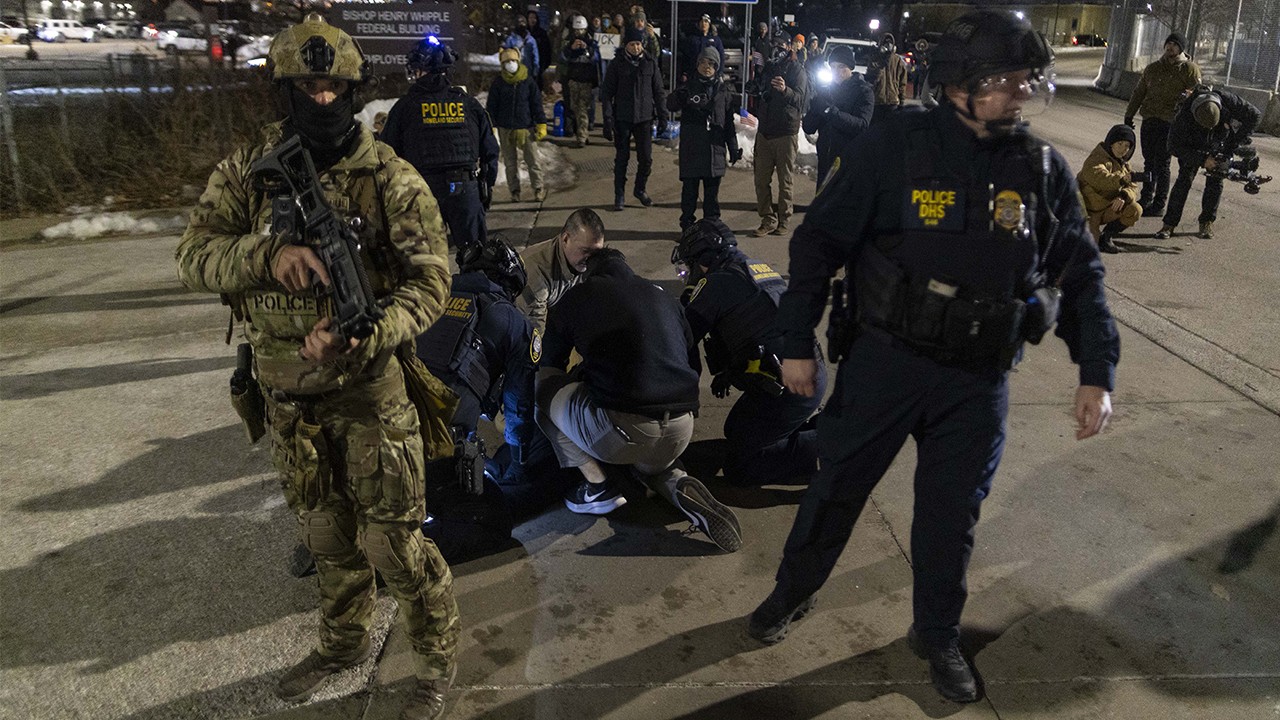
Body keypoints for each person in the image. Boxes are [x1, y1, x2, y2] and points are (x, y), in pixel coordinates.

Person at [748, 10, 1119, 705]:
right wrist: (794, 342)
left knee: (951, 516)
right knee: (836, 490)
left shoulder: (1039, 169)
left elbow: (1082, 275)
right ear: (959, 84)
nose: (1021, 93)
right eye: (1007, 80)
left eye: (1027, 80)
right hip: (886, 363)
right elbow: (818, 242)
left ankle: (938, 633)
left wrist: (1096, 372)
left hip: (976, 381)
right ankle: (791, 594)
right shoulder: (896, 146)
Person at [174, 15, 460, 720]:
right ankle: (342, 645)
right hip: (287, 398)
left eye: (334, 86)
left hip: (369, 396)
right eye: (308, 86)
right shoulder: (250, 169)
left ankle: (433, 665)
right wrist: (267, 255)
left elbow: (432, 280)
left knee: (394, 546)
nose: (323, 98)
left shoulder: (389, 176)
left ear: (353, 88)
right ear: (286, 89)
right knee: (327, 537)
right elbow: (193, 254)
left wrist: (370, 329)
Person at [536, 248, 743, 553]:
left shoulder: (579, 295)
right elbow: (692, 365)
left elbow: (550, 363)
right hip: (681, 427)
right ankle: (677, 482)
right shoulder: (664, 297)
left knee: (542, 389)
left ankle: (596, 487)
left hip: (622, 432)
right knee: (650, 463)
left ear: (588, 273)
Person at [415, 234, 543, 563]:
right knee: (492, 520)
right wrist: (519, 463)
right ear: (510, 283)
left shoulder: (424, 296)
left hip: (372, 434)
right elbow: (518, 409)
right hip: (429, 452)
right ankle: (394, 555)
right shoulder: (515, 323)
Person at [674, 219, 824, 485]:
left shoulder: (717, 283)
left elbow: (680, 336)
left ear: (704, 258)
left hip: (790, 388)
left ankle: (833, 447)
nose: (687, 274)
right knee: (735, 430)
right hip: (802, 375)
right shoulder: (754, 267)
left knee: (742, 468)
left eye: (688, 266)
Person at [382, 35, 499, 251]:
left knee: (427, 262)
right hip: (465, 191)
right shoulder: (468, 104)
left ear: (420, 70)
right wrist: (485, 184)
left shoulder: (405, 107)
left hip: (421, 192)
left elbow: (387, 153)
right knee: (476, 259)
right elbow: (490, 149)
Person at [1156, 85, 1260, 240]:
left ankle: (1207, 222)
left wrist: (1235, 141)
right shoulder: (1183, 117)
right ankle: (1169, 224)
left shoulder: (1229, 101)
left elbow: (1255, 115)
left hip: (1220, 139)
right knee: (1184, 180)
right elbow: (1173, 146)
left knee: (1215, 182)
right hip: (1193, 145)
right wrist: (1202, 160)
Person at [1123, 33, 1201, 219]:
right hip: (1150, 119)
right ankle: (1146, 198)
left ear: (1181, 48)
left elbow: (1197, 95)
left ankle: (1159, 203)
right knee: (1149, 161)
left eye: (1175, 44)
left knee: (1162, 164)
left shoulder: (1189, 69)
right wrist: (1129, 114)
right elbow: (1139, 92)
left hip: (1170, 123)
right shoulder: (1153, 68)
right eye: (1168, 43)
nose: (1170, 47)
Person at [667, 47, 742, 230]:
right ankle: (687, 227)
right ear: (697, 64)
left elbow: (728, 123)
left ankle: (711, 227)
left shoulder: (723, 90)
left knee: (711, 197)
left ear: (717, 67)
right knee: (689, 194)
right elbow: (671, 105)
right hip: (692, 148)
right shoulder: (688, 86)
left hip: (714, 149)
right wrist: (680, 96)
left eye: (711, 64)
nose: (707, 67)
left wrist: (733, 147)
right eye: (703, 62)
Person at [748, 32, 808, 237]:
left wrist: (785, 90)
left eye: (781, 45)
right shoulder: (769, 68)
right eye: (774, 45)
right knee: (761, 179)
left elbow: (801, 100)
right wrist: (754, 89)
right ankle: (767, 219)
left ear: (789, 47)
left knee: (785, 180)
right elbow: (761, 90)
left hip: (785, 132)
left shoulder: (797, 70)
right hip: (765, 131)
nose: (777, 49)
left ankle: (784, 220)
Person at [601, 25, 666, 211]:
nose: (636, 48)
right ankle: (619, 194)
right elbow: (607, 93)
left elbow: (659, 92)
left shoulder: (650, 63)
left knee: (646, 159)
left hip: (644, 118)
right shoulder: (617, 64)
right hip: (623, 118)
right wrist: (607, 119)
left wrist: (662, 116)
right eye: (632, 44)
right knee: (622, 159)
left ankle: (640, 189)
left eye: (638, 44)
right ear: (626, 45)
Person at [517, 208, 607, 334]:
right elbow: (534, 331)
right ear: (565, 239)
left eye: (596, 252)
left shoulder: (582, 259)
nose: (590, 258)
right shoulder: (537, 272)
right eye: (585, 251)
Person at [801, 44, 874, 186]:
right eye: (833, 67)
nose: (837, 71)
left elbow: (861, 125)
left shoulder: (863, 91)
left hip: (850, 163)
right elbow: (809, 127)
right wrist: (815, 109)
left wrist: (830, 112)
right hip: (825, 161)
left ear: (850, 67)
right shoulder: (826, 91)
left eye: (841, 67)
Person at [487, 47, 548, 203]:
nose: (511, 64)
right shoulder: (498, 83)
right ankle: (514, 191)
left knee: (533, 161)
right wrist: (491, 124)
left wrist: (541, 123)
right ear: (502, 64)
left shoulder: (528, 81)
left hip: (526, 127)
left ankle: (538, 188)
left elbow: (536, 104)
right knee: (510, 163)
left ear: (518, 61)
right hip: (505, 128)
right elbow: (491, 106)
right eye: (507, 61)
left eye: (513, 60)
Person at [1077, 124, 1142, 253]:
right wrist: (1122, 179)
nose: (1123, 149)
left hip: (1107, 208)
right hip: (1088, 212)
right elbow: (1100, 179)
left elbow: (1133, 186)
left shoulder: (1124, 163)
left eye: (1127, 146)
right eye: (1120, 144)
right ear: (1111, 143)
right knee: (1088, 250)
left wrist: (1123, 195)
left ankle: (1106, 237)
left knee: (1135, 210)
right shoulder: (1096, 158)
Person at [562, 15, 601, 148]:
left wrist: (588, 50)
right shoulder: (569, 42)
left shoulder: (591, 42)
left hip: (586, 80)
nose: (579, 33)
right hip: (573, 80)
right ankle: (583, 132)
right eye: (577, 30)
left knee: (583, 109)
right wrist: (571, 49)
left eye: (581, 30)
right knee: (575, 108)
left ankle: (582, 137)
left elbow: (596, 58)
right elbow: (563, 57)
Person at [869, 32, 909, 124]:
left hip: (893, 101)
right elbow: (872, 79)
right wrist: (881, 63)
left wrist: (902, 100)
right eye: (885, 42)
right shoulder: (875, 59)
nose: (888, 45)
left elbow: (902, 83)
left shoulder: (898, 61)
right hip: (878, 101)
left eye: (890, 42)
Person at [683, 13, 725, 79]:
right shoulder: (693, 39)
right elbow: (686, 56)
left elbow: (721, 56)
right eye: (701, 22)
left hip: (711, 74)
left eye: (706, 21)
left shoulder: (716, 39)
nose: (703, 24)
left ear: (709, 24)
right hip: (694, 74)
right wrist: (685, 72)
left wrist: (720, 72)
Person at [504, 20, 540, 88]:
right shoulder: (511, 39)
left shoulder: (531, 40)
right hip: (514, 69)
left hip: (528, 70)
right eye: (520, 23)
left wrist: (535, 69)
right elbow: (507, 54)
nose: (522, 25)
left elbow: (535, 56)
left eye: (523, 23)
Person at [526, 9, 552, 90]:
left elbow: (547, 49)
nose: (532, 20)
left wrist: (545, 63)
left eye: (534, 18)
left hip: (539, 65)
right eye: (530, 18)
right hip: (525, 64)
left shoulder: (542, 33)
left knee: (536, 86)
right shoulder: (524, 33)